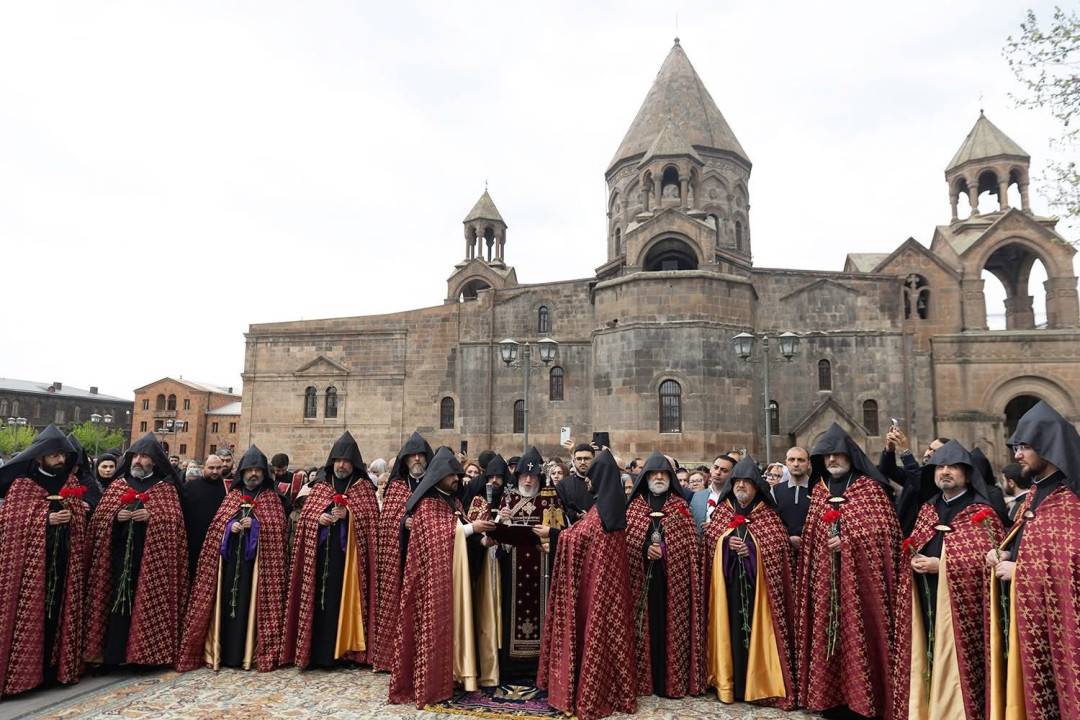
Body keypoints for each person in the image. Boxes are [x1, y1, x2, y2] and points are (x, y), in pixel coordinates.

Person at [794, 423, 901, 720]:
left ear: (851, 455)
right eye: (827, 455)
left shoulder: (869, 488)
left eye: (838, 454)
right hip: (825, 581)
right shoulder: (820, 490)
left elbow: (885, 532)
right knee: (827, 633)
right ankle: (829, 700)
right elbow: (812, 534)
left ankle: (864, 701)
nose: (832, 460)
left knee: (859, 634)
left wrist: (851, 541)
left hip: (862, 584)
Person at [891, 440, 1003, 720]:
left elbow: (986, 560)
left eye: (953, 467)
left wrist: (941, 565)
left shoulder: (981, 512)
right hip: (925, 596)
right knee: (926, 652)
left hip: (962, 608)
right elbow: (915, 542)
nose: (945, 472)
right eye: (940, 467)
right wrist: (913, 559)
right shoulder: (928, 508)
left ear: (967, 474)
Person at [987, 401, 1080, 720]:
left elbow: (1070, 565)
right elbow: (1033, 544)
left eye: (1024, 447)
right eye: (1016, 447)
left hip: (1060, 626)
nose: (1017, 455)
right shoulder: (1034, 494)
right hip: (1027, 617)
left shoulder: (1069, 501)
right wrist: (1006, 551)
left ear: (1048, 447)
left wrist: (1020, 571)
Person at [389, 447, 496, 707]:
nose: (457, 479)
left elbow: (461, 534)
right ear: (439, 475)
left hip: (457, 579)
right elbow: (439, 536)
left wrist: (483, 540)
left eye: (458, 475)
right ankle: (434, 681)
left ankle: (457, 674)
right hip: (431, 583)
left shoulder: (453, 502)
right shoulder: (427, 504)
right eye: (452, 475)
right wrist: (471, 528)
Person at [538, 449, 637, 720]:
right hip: (607, 586)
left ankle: (596, 691)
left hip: (599, 587)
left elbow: (578, 539)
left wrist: (553, 534)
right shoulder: (607, 505)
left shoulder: (602, 509)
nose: (588, 481)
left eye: (591, 476)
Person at [177, 445, 290, 672]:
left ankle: (250, 654)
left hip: (258, 570)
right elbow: (217, 527)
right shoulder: (232, 497)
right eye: (249, 470)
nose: (253, 474)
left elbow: (278, 529)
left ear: (264, 472)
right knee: (227, 606)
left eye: (257, 470)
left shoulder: (272, 498)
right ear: (242, 472)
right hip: (228, 566)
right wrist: (231, 527)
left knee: (250, 606)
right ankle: (223, 652)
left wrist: (256, 525)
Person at [0, 426, 92, 695]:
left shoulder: (70, 483)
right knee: (31, 617)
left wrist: (75, 516)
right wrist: (45, 519)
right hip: (31, 567)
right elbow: (10, 522)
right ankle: (26, 675)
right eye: (54, 455)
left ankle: (55, 672)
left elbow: (80, 521)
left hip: (64, 562)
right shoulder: (23, 485)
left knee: (59, 615)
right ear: (40, 457)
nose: (60, 460)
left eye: (63, 455)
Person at [85, 433, 190, 669]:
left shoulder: (165, 489)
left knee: (145, 605)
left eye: (144, 457)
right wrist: (116, 517)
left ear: (154, 461)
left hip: (151, 561)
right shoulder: (118, 486)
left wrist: (153, 517)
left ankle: (143, 656)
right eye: (134, 456)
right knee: (114, 602)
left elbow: (174, 523)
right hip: (118, 557)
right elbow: (99, 520)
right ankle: (112, 655)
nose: (138, 461)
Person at [702, 455, 796, 709]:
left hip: (759, 594)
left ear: (756, 486)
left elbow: (778, 547)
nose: (741, 486)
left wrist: (752, 550)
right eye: (737, 482)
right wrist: (725, 542)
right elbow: (710, 541)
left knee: (754, 634)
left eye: (747, 482)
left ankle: (756, 683)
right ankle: (728, 682)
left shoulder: (769, 516)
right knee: (730, 633)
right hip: (728, 589)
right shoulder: (723, 511)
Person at [281, 431, 379, 669]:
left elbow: (371, 522)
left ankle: (347, 653)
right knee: (320, 602)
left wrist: (350, 515)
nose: (341, 465)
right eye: (337, 460)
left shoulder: (363, 488)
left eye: (345, 461)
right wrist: (318, 518)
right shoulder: (321, 486)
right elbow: (305, 517)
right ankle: (317, 653)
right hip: (320, 556)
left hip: (349, 562)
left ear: (353, 463)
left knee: (344, 603)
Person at [624, 451, 704, 699]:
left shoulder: (680, 506)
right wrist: (643, 549)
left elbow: (689, 545)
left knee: (669, 628)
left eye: (663, 474)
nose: (659, 477)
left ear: (670, 477)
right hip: (640, 580)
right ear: (646, 477)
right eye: (654, 473)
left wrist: (666, 550)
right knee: (643, 627)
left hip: (673, 583)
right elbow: (626, 541)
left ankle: (670, 680)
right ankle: (643, 681)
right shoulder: (635, 506)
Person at [487, 447, 564, 681]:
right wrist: (502, 520)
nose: (528, 480)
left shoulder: (550, 498)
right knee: (510, 611)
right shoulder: (508, 499)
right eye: (524, 476)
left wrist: (549, 537)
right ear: (518, 476)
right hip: (513, 569)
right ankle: (511, 666)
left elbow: (562, 532)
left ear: (540, 477)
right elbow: (497, 538)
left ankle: (540, 665)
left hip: (543, 568)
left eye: (533, 476)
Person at [369, 431, 433, 671]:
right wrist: (403, 522)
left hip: (427, 557)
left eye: (421, 455)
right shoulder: (395, 487)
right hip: (401, 557)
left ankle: (423, 655)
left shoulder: (434, 484)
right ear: (405, 460)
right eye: (412, 456)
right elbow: (387, 521)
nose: (417, 459)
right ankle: (393, 657)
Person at [183, 453, 228, 578]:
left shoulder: (227, 489)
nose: (215, 471)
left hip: (218, 541)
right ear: (203, 468)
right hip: (193, 541)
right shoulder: (190, 487)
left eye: (218, 468)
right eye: (211, 468)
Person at [772, 446, 812, 551]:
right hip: (783, 550)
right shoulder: (775, 491)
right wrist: (787, 539)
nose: (796, 464)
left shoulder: (818, 490)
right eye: (791, 459)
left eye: (801, 460)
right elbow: (771, 523)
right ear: (786, 463)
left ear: (809, 464)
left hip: (812, 549)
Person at [690, 454, 736, 531]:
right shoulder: (698, 496)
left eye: (724, 470)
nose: (718, 472)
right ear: (711, 469)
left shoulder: (735, 498)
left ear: (731, 474)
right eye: (716, 467)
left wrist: (717, 527)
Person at [555, 441, 596, 525]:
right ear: (574, 461)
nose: (583, 462)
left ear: (594, 460)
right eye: (579, 459)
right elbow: (559, 510)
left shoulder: (602, 483)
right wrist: (575, 515)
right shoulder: (563, 485)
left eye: (586, 458)